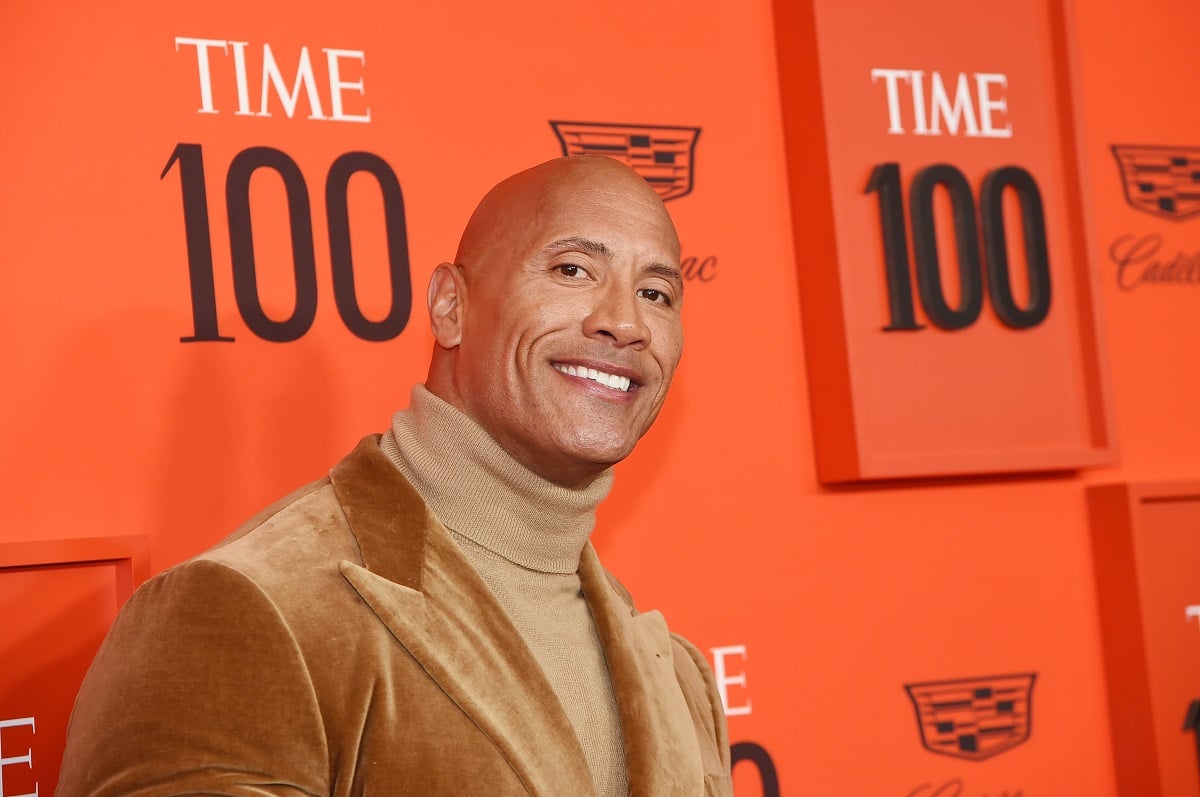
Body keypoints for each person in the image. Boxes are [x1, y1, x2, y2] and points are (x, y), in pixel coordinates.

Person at [58, 155, 733, 796]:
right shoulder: (247, 608)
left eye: (656, 293)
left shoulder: (679, 680)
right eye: (573, 270)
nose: (624, 322)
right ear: (450, 306)